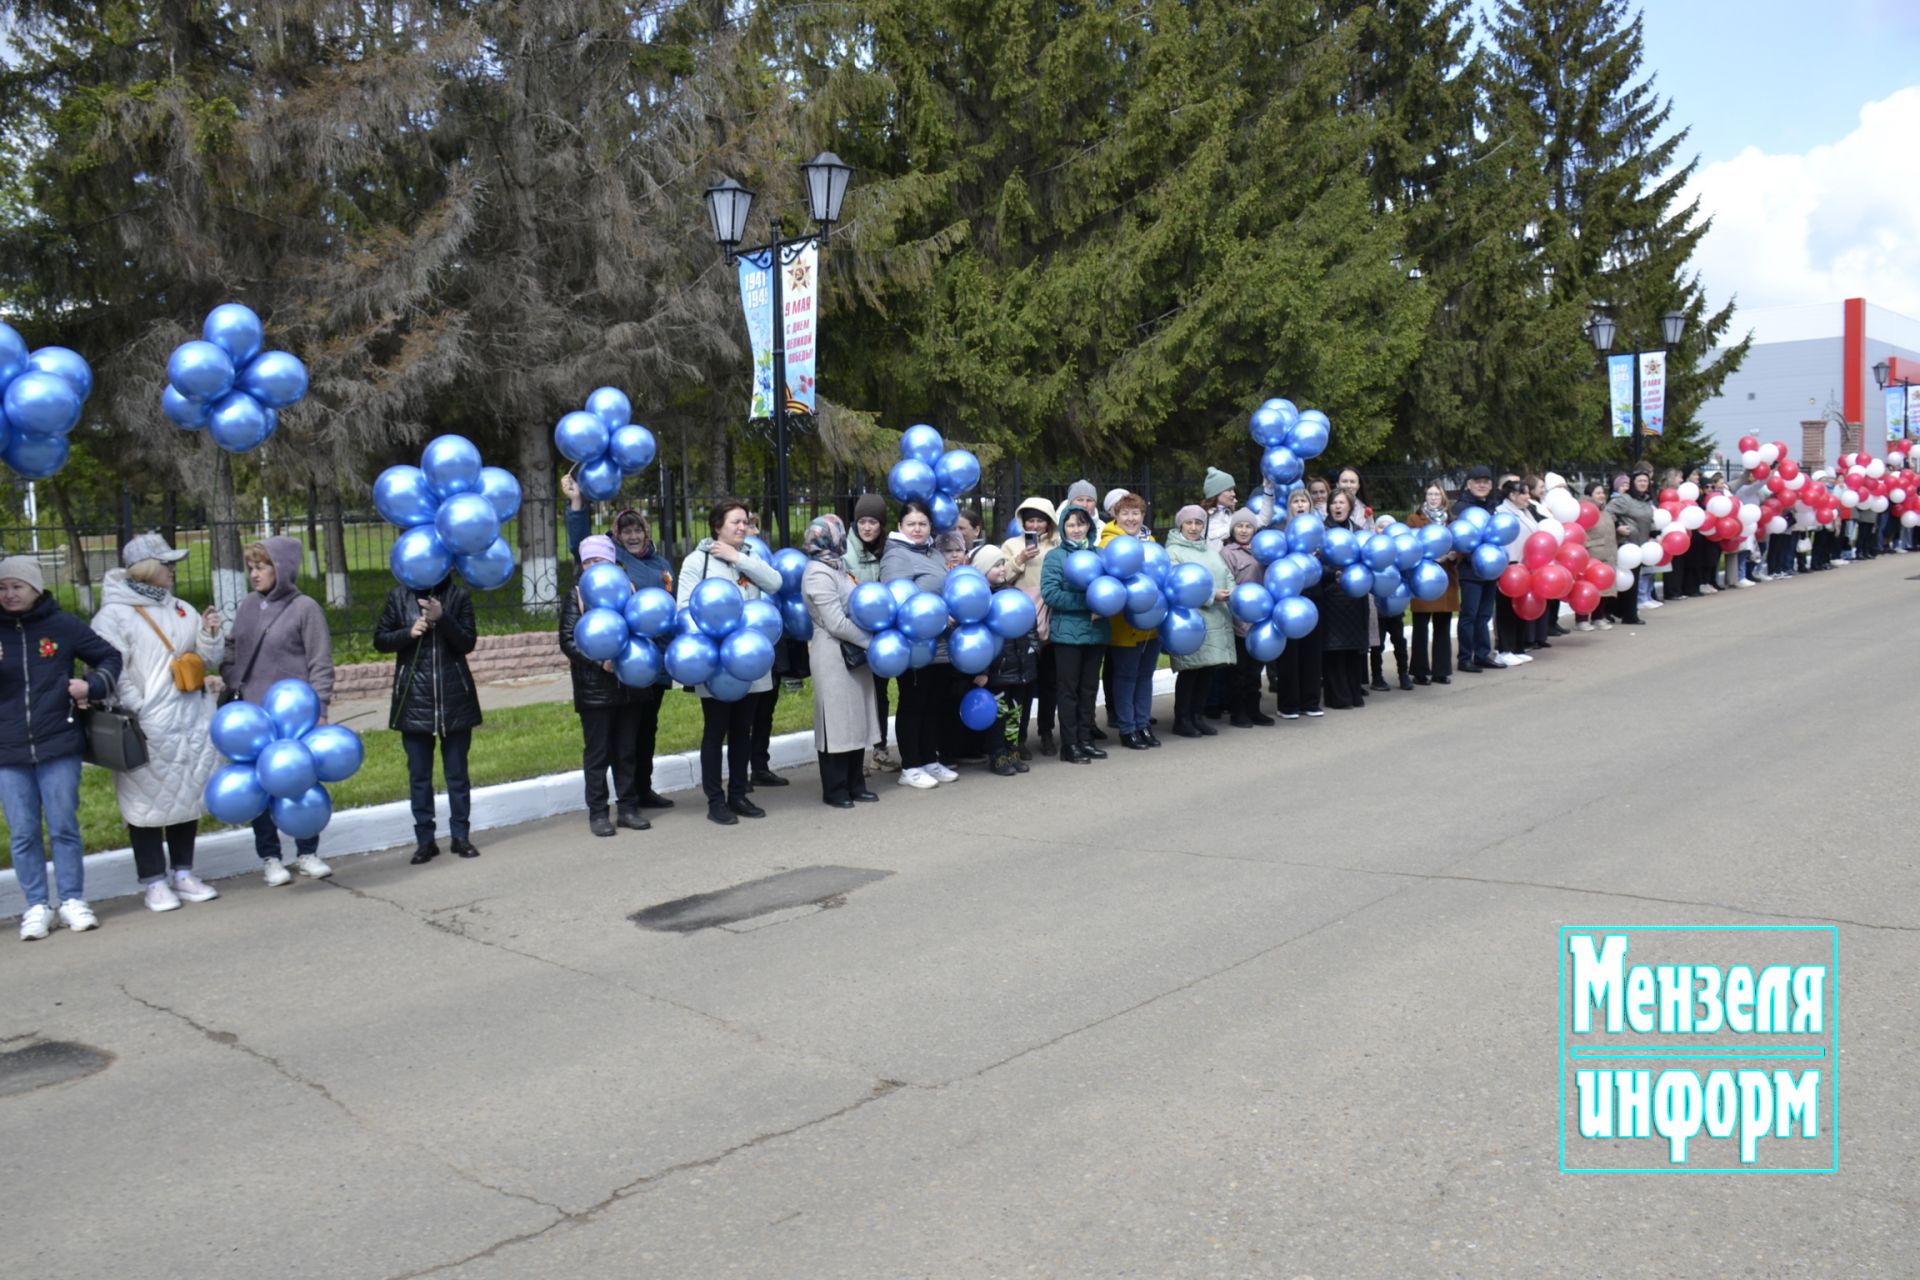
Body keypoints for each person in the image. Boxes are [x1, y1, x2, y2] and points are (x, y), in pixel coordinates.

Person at [90, 534, 226, 910]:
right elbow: (111, 670)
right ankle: (153, 880)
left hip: (192, 718)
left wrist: (210, 633)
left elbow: (208, 658)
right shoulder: (113, 616)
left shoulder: (182, 608)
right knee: (146, 804)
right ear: (147, 569)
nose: (172, 569)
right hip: (147, 724)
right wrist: (142, 709)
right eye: (166, 563)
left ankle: (183, 872)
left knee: (185, 794)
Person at [3, 556, 123, 939]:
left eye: (16, 586)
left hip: (58, 743)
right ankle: (37, 905)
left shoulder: (61, 625)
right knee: (22, 832)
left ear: (36, 588)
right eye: (2, 588)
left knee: (63, 826)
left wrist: (92, 686)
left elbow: (109, 656)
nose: (8, 594)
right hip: (8, 750)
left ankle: (72, 900)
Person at [223, 537, 336, 885]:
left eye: (262, 566)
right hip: (254, 716)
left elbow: (320, 662)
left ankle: (307, 851)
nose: (254, 574)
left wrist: (320, 707)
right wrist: (232, 676)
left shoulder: (305, 609)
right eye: (251, 567)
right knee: (261, 788)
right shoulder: (247, 607)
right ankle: (270, 857)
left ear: (282, 568)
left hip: (295, 717)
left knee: (300, 780)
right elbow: (232, 649)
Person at [562, 474, 676, 810]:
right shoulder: (613, 566)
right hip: (619, 663)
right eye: (625, 531)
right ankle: (621, 798)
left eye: (637, 530)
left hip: (654, 660)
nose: (632, 535)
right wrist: (576, 504)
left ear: (645, 532)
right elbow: (581, 544)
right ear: (616, 537)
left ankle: (643, 789)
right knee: (620, 737)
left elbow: (668, 606)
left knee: (646, 730)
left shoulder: (661, 563)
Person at [676, 500, 786, 824]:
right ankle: (715, 800)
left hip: (749, 658)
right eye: (735, 522)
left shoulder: (748, 558)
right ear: (717, 526)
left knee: (743, 730)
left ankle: (739, 794)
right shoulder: (698, 561)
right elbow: (683, 607)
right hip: (715, 664)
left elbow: (775, 583)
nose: (742, 527)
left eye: (746, 522)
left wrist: (737, 558)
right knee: (716, 730)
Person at [374, 568, 482, 864]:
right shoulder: (399, 597)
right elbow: (380, 640)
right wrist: (408, 633)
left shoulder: (458, 596)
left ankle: (461, 836)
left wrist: (442, 617)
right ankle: (425, 840)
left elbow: (467, 642)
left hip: (454, 699)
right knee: (419, 777)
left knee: (457, 774)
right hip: (414, 701)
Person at [560, 536, 646, 837]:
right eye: (588, 562)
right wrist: (599, 662)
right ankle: (598, 813)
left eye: (599, 561)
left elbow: (641, 630)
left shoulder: (629, 590)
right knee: (598, 754)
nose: (593, 567)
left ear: (612, 562)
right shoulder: (577, 596)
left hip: (628, 686)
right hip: (594, 688)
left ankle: (628, 808)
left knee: (626, 751)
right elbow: (568, 640)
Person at [798, 514, 880, 808]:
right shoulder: (818, 572)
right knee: (835, 723)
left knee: (855, 719)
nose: (844, 536)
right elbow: (835, 623)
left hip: (852, 652)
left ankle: (856, 784)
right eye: (839, 532)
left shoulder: (837, 566)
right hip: (833, 653)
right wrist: (872, 642)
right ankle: (835, 789)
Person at [879, 499, 956, 789]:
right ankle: (910, 766)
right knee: (913, 703)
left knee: (933, 702)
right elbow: (898, 602)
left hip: (941, 644)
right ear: (900, 526)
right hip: (915, 645)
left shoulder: (933, 553)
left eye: (922, 523)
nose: (917, 529)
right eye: (911, 524)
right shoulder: (897, 556)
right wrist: (937, 618)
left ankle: (929, 760)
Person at [1040, 503, 1110, 763]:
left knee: (1089, 689)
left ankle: (1085, 739)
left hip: (1096, 633)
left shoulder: (1101, 555)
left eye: (1081, 524)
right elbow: (1051, 593)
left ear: (1089, 526)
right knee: (1068, 691)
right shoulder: (1056, 557)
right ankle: (1069, 745)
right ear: (1063, 528)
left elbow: (1111, 589)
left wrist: (1106, 606)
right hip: (1067, 635)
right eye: (1071, 525)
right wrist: (1088, 604)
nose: (1077, 529)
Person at [1098, 492, 1162, 749]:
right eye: (1125, 513)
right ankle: (1127, 728)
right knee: (1126, 676)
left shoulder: (1151, 540)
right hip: (1123, 623)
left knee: (1146, 675)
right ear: (1115, 514)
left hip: (1151, 621)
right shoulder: (1108, 543)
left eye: (1136, 513)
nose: (1131, 518)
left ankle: (1143, 724)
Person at [997, 495, 1059, 756]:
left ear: (1049, 523)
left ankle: (1046, 732)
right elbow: (1001, 577)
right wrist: (1020, 559)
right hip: (1021, 622)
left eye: (1040, 521)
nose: (1035, 525)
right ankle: (1018, 738)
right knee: (1021, 685)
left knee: (1050, 682)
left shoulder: (1057, 544)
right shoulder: (1011, 545)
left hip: (1052, 619)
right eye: (1030, 520)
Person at [1165, 504, 1233, 737]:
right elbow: (1177, 584)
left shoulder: (1209, 550)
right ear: (1180, 525)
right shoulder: (1173, 551)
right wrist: (1210, 596)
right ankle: (1182, 718)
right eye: (1189, 523)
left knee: (1207, 670)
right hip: (1191, 621)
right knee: (1191, 670)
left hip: (1215, 617)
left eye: (1198, 523)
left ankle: (1197, 715)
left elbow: (1226, 574)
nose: (1194, 528)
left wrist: (1232, 591)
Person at [970, 544, 1038, 776]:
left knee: (1015, 713)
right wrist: (982, 669)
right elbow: (977, 642)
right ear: (981, 571)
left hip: (1020, 667)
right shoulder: (980, 602)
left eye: (1002, 564)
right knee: (998, 715)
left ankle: (1012, 750)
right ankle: (997, 754)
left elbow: (1031, 625)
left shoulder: (1015, 594)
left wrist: (1033, 652)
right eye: (995, 566)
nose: (1001, 569)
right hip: (996, 672)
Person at [845, 493, 895, 772]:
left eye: (873, 522)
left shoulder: (886, 549)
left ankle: (879, 750)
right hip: (852, 633)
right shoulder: (846, 550)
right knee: (855, 694)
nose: (867, 527)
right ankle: (855, 755)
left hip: (881, 633)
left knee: (880, 693)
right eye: (862, 521)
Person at [1270, 487, 1325, 718]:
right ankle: (1289, 705)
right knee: (1290, 655)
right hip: (1288, 599)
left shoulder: (1319, 534)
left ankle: (1311, 702)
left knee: (1312, 653)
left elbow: (1329, 565)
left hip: (1313, 597)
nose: (1300, 505)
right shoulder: (1280, 532)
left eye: (1304, 501)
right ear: (1290, 506)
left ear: (1310, 506)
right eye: (1296, 501)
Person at [1218, 507, 1275, 724]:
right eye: (1239, 526)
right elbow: (1227, 582)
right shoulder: (1227, 553)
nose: (1243, 530)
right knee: (1240, 670)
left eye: (1248, 526)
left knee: (1255, 669)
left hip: (1261, 619)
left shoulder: (1262, 551)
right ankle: (1238, 712)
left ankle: (1254, 709)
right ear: (1233, 529)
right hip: (1239, 619)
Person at [1320, 491, 1372, 707]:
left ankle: (1354, 693)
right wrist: (1333, 574)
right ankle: (1338, 697)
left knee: (1352, 650)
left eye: (1342, 503)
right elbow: (1315, 566)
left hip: (1354, 598)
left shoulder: (1359, 532)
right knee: (1334, 651)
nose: (1337, 507)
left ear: (1350, 507)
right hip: (1331, 597)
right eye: (1334, 503)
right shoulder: (1321, 532)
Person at [1404, 483, 1456, 684]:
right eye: (1430, 494)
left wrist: (1451, 555)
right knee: (1420, 626)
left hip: (1445, 577)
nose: (1433, 497)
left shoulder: (1451, 520)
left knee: (1442, 625)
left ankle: (1441, 671)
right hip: (1423, 576)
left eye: (1437, 494)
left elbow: (1460, 543)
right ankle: (1419, 671)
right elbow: (1410, 544)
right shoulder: (1415, 519)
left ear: (1443, 497)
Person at [1451, 465, 1500, 672]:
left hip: (1491, 568)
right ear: (1469, 484)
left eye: (1486, 481)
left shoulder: (1494, 506)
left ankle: (1482, 654)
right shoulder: (1461, 508)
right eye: (1477, 481)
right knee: (1469, 615)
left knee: (1484, 615)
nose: (1482, 485)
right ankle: (1464, 658)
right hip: (1470, 569)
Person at [1491, 478, 1537, 666]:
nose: (1528, 497)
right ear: (1512, 495)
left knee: (1520, 607)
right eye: (1524, 493)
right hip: (1509, 567)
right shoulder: (1501, 513)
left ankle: (1518, 647)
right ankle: (1504, 649)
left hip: (1525, 567)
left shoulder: (1525, 511)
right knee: (1506, 609)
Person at [1576, 481, 1620, 631]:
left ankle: (1598, 617)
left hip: (1607, 553)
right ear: (1589, 495)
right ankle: (1581, 619)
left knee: (1603, 587)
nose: (1602, 496)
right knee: (1587, 588)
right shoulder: (1584, 510)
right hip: (1592, 554)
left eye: (1603, 493)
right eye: (1598, 493)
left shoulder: (1605, 511)